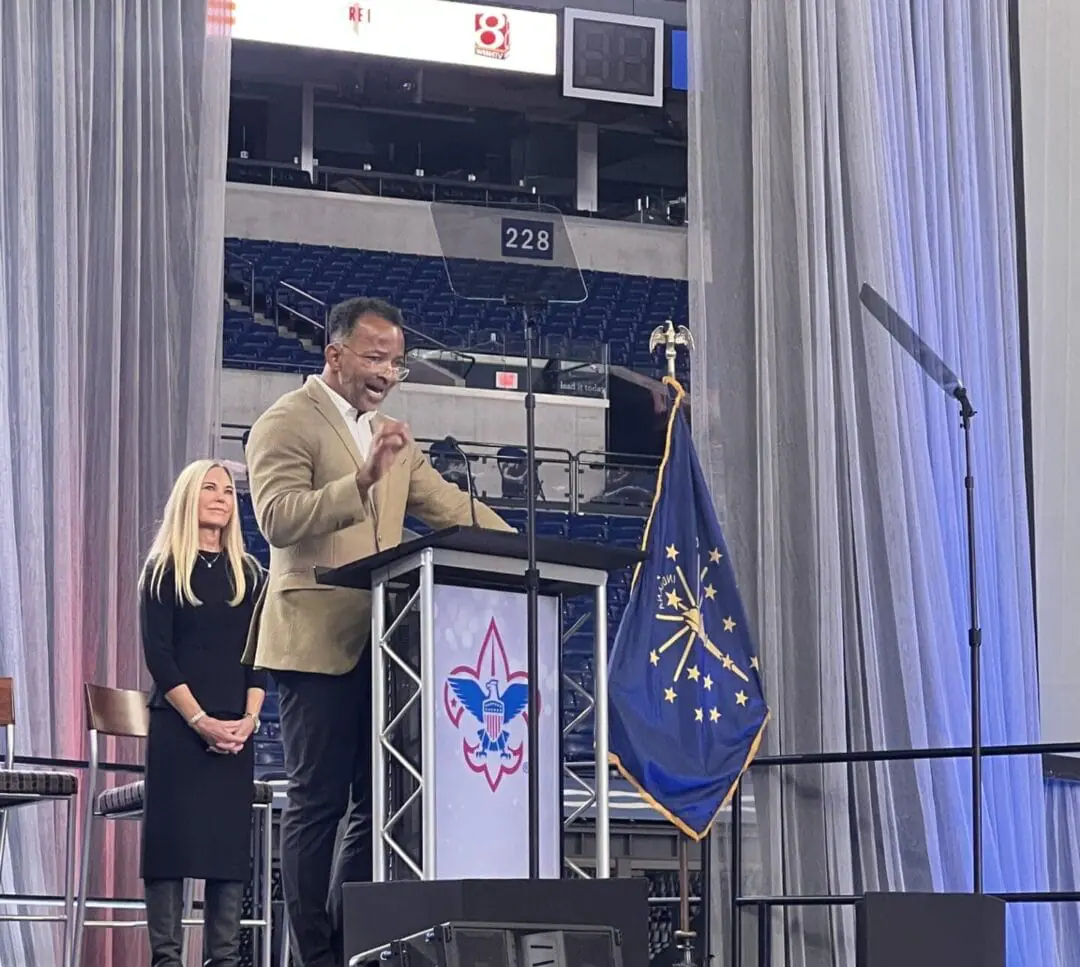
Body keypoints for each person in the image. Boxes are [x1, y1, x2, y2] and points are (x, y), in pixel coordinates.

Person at [244, 296, 511, 967]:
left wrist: (525, 548)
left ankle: (349, 943)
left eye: (395, 361)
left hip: (388, 648)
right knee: (317, 804)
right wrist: (357, 482)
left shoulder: (395, 434)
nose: (387, 372)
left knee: (378, 805)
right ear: (334, 354)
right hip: (314, 644)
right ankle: (313, 954)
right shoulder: (285, 422)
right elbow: (277, 519)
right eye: (374, 357)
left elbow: (448, 506)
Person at [139, 459, 267, 967]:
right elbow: (160, 657)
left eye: (230, 491)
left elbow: (261, 657)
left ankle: (223, 959)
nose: (221, 496)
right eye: (209, 488)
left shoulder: (250, 575)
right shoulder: (163, 568)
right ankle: (166, 960)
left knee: (227, 856)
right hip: (179, 728)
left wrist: (249, 721)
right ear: (187, 497)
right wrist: (199, 721)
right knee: (169, 851)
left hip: (236, 733)